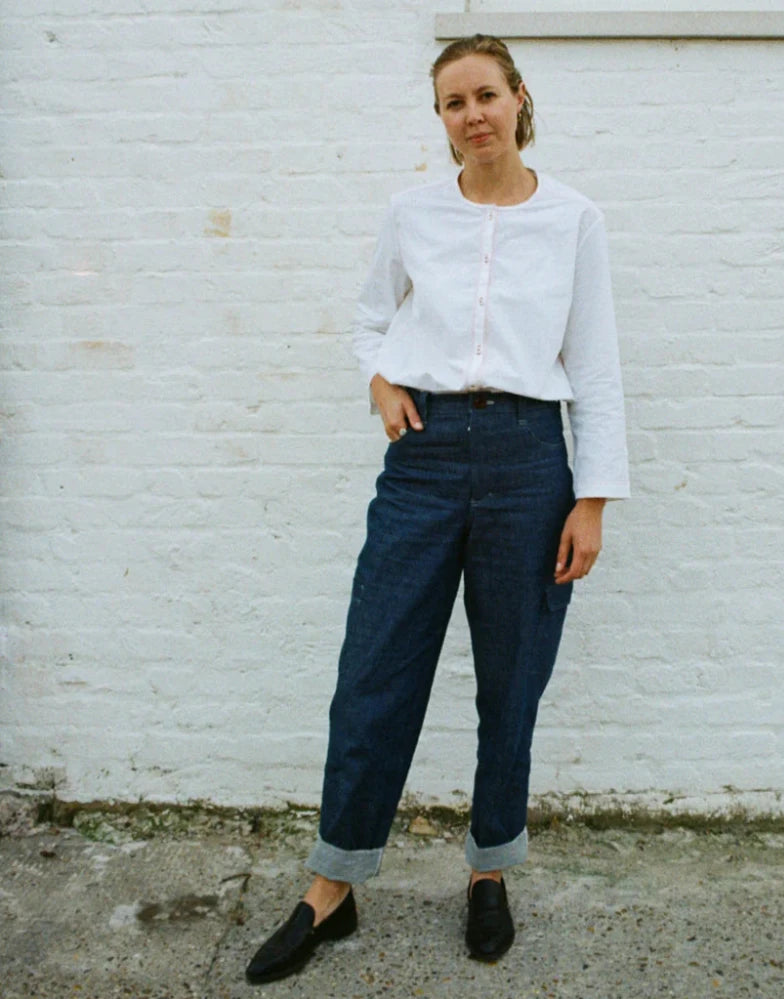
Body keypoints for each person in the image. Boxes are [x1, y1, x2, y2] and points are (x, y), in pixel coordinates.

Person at [245, 33, 629, 984]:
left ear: (519, 97)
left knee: (512, 678)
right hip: (421, 461)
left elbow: (594, 364)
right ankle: (331, 886)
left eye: (486, 95)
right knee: (374, 668)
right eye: (454, 103)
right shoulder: (412, 212)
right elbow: (369, 318)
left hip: (529, 463)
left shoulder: (574, 219)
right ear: (442, 120)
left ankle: (488, 869)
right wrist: (381, 383)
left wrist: (591, 499)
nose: (473, 115)